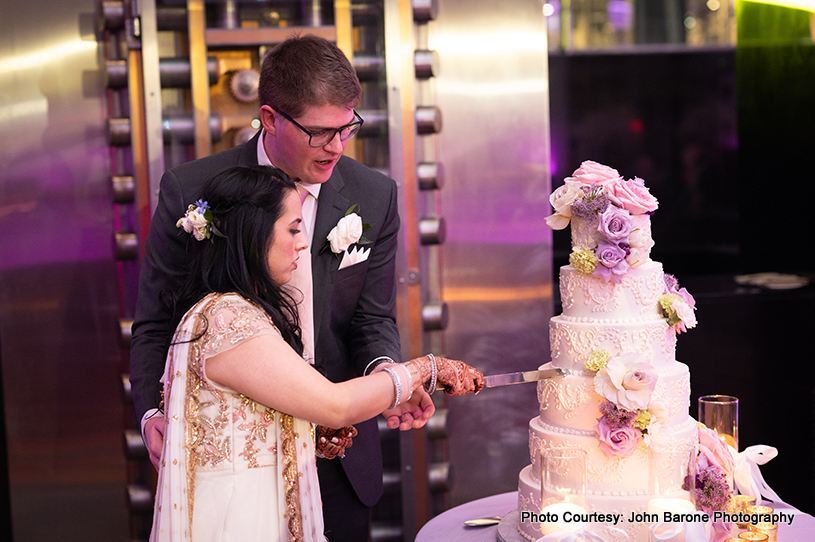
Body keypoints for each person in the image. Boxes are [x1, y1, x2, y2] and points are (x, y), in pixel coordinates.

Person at [130, 34, 432, 539]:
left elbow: (372, 318)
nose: (336, 147)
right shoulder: (193, 190)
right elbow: (157, 320)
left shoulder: (373, 194)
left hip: (339, 451)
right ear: (269, 119)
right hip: (236, 459)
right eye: (319, 132)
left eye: (348, 128)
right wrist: (152, 414)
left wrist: (384, 376)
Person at [150, 164, 483, 541]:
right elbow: (337, 404)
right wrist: (426, 369)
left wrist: (309, 429)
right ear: (253, 235)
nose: (304, 241)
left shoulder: (235, 310)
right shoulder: (228, 320)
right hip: (240, 518)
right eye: (293, 228)